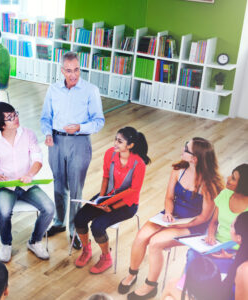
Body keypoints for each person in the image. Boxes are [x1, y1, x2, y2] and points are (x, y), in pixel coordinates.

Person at [119, 138, 224, 300]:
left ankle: (150, 286)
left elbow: (204, 217)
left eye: (186, 149)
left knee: (155, 242)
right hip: (172, 216)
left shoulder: (209, 184)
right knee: (141, 236)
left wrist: (179, 225)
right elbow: (169, 197)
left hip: (193, 223)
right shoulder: (177, 170)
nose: (182, 149)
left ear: (194, 159)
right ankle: (132, 274)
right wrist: (168, 213)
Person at [40, 51, 105, 249]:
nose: (73, 75)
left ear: (80, 68)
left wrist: (80, 128)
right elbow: (45, 117)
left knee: (76, 188)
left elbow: (98, 121)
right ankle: (59, 222)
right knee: (59, 186)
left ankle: (75, 230)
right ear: (62, 71)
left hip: (79, 142)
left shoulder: (90, 90)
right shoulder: (53, 90)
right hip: (57, 142)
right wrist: (47, 133)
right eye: (69, 71)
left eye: (76, 70)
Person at [74, 127, 150, 274]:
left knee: (97, 226)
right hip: (108, 197)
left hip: (126, 204)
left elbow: (132, 193)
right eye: (115, 139)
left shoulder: (138, 164)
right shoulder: (110, 153)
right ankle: (86, 249)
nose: (115, 143)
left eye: (119, 141)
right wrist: (101, 198)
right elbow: (106, 177)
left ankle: (106, 257)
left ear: (130, 145)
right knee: (79, 219)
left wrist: (110, 205)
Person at [0, 102, 54, 262]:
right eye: (10, 117)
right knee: (4, 212)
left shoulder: (29, 134)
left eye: (15, 114)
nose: (16, 118)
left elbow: (37, 158)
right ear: (1, 125)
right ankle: (6, 244)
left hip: (27, 184)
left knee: (49, 208)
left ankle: (35, 241)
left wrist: (30, 174)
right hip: (6, 187)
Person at [161, 211, 248, 300]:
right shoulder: (243, 250)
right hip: (223, 291)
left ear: (239, 237)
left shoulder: (244, 270)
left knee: (171, 285)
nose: (230, 228)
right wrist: (231, 256)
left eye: (232, 226)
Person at [185, 163, 248, 273]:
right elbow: (214, 222)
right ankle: (186, 287)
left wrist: (232, 255)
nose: (228, 179)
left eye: (233, 178)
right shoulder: (224, 194)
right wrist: (210, 235)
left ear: (243, 185)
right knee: (192, 254)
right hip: (216, 244)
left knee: (211, 269)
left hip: (237, 253)